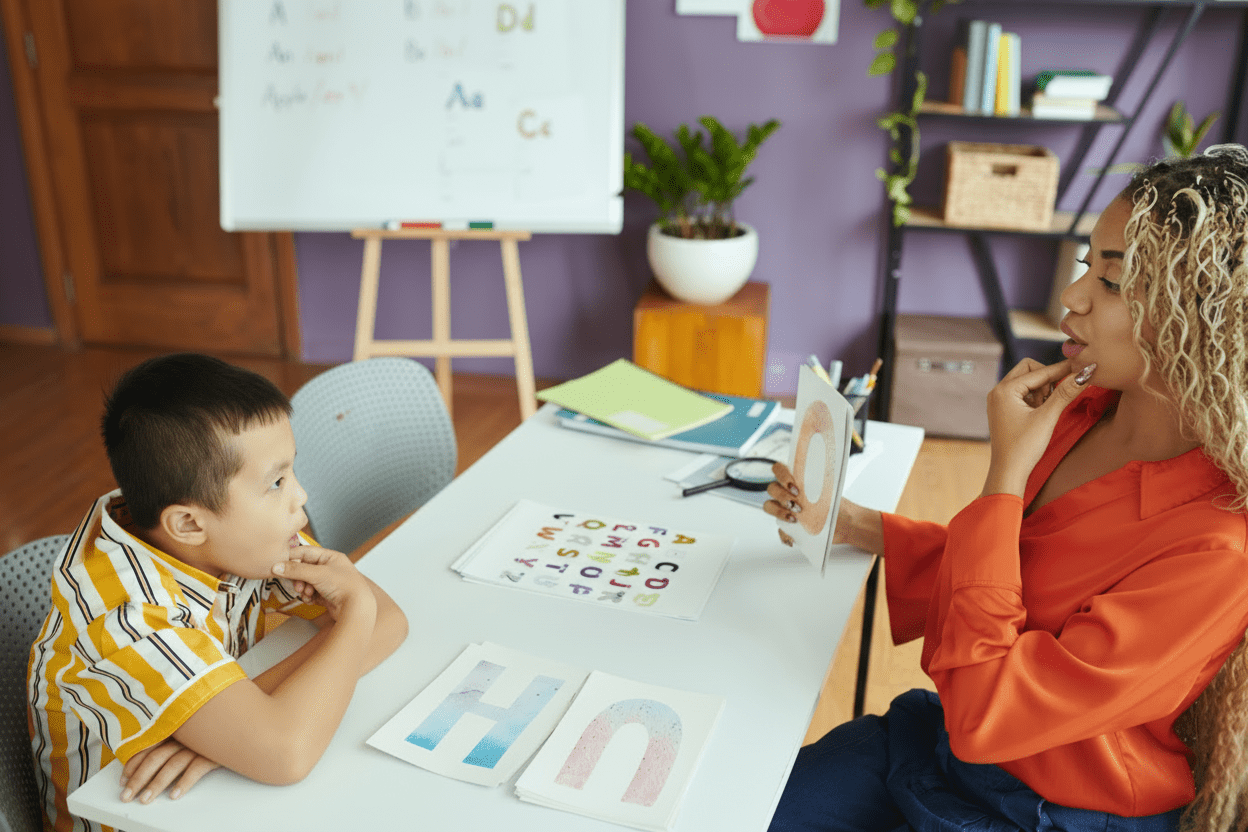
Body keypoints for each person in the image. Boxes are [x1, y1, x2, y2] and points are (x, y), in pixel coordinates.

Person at [765, 145, 1248, 832]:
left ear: (1199, 316)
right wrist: (852, 524)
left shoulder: (1220, 549)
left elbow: (989, 711)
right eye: (1088, 266)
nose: (1071, 298)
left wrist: (1003, 478)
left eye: (1111, 282)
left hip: (1050, 809)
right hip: (945, 750)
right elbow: (1009, 582)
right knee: (742, 801)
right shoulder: (1077, 417)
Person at [28, 354, 409, 832]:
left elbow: (390, 620)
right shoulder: (129, 618)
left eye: (291, 473)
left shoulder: (231, 537)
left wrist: (230, 730)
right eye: (276, 482)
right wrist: (352, 616)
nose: (301, 496)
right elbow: (286, 754)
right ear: (188, 523)